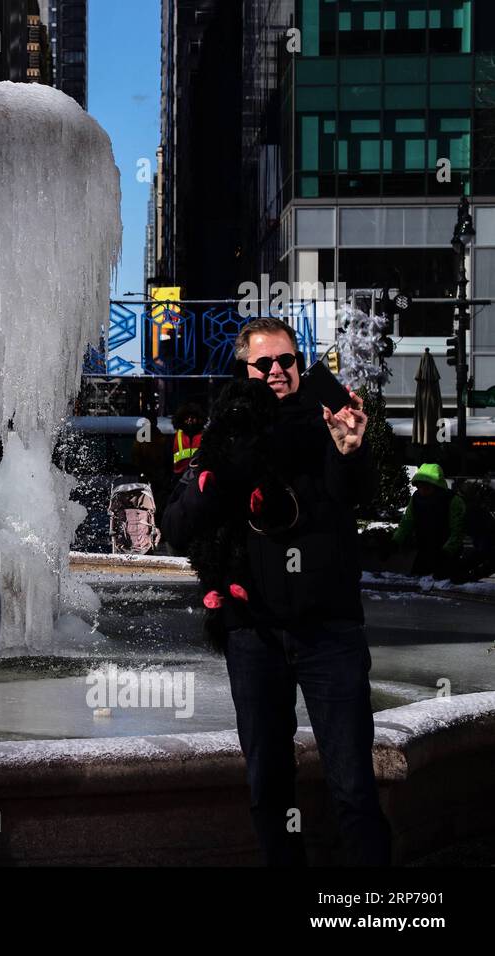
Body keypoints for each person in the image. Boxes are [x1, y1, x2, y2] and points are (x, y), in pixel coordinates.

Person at [163, 317, 392, 866]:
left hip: (329, 633)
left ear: (298, 363)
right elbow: (176, 526)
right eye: (262, 363)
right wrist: (216, 476)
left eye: (286, 361)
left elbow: (365, 497)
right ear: (244, 369)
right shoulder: (224, 435)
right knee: (268, 788)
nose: (276, 371)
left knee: (354, 787)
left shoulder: (327, 423)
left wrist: (353, 449)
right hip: (254, 635)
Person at [391, 464, 465, 581]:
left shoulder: (452, 500)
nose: (422, 491)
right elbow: (407, 522)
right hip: (425, 552)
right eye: (419, 487)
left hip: (446, 555)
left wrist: (447, 552)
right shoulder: (416, 498)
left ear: (436, 486)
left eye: (426, 487)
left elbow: (458, 530)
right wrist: (395, 541)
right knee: (417, 583)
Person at [170, 401, 205, 476]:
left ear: (199, 419)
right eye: (187, 418)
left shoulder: (205, 437)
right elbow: (167, 460)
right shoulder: (174, 438)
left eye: (193, 417)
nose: (190, 420)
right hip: (179, 476)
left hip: (199, 476)